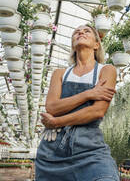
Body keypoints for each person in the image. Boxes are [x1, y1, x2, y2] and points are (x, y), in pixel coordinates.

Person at [35, 24, 119, 181]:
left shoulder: (106, 70)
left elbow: (97, 111)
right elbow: (52, 107)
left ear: (96, 44)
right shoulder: (60, 73)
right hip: (52, 151)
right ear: (73, 45)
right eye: (76, 32)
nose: (80, 32)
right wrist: (89, 94)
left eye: (87, 31)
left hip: (90, 149)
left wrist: (56, 121)